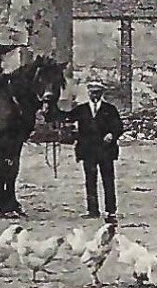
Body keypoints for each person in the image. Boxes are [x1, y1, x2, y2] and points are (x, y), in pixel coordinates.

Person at [53, 78, 124, 221]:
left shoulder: (110, 110)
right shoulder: (82, 109)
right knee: (90, 181)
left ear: (101, 93)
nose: (95, 95)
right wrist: (52, 107)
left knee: (108, 180)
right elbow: (66, 117)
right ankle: (93, 211)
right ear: (88, 93)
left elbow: (119, 126)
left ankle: (111, 210)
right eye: (92, 92)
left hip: (106, 151)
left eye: (97, 92)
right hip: (88, 151)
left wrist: (112, 134)